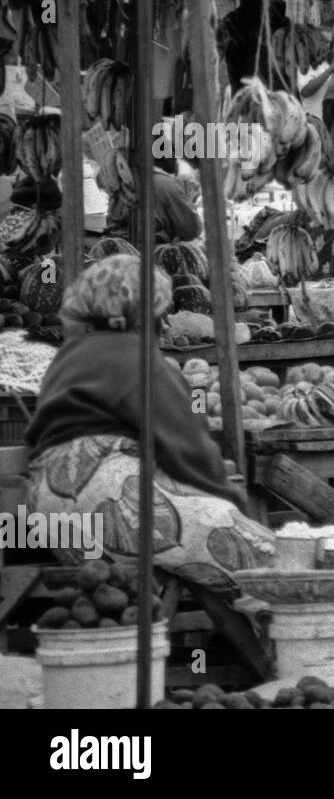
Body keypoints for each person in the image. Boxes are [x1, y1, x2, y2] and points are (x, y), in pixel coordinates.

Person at [24, 255, 275, 597]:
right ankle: (285, 639)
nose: (166, 321)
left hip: (51, 505)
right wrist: (231, 502)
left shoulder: (69, 354)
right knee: (262, 559)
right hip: (106, 496)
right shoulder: (140, 357)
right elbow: (189, 447)